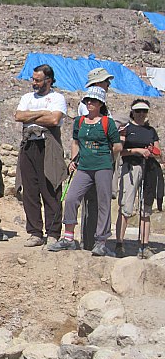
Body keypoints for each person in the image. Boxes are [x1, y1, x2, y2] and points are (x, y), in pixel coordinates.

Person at [48, 87, 122, 256]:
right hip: (84, 167)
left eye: (93, 101)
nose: (90, 103)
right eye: (87, 100)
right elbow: (75, 142)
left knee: (103, 202)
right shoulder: (80, 121)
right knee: (72, 197)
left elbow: (116, 145)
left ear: (101, 103)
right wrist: (74, 160)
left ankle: (101, 241)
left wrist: (109, 159)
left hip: (102, 166)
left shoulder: (107, 122)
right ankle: (68, 238)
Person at [15, 64, 68, 248]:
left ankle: (53, 233)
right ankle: (35, 232)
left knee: (50, 188)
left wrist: (32, 117)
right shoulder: (27, 97)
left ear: (49, 80)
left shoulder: (57, 98)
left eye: (38, 80)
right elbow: (19, 116)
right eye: (33, 79)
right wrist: (41, 113)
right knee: (30, 190)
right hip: (29, 144)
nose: (34, 83)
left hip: (48, 145)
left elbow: (54, 120)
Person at [115, 99, 161, 259]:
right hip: (131, 169)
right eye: (138, 111)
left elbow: (159, 152)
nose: (141, 114)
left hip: (149, 169)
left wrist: (152, 151)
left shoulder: (151, 131)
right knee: (126, 206)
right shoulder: (126, 129)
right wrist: (136, 151)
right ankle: (119, 243)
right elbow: (120, 150)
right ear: (132, 112)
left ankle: (145, 244)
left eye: (144, 111)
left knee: (146, 207)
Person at [77, 67, 115, 251]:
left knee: (99, 201)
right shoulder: (86, 107)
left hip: (100, 160)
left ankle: (96, 240)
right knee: (92, 202)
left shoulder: (102, 110)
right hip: (92, 160)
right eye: (106, 81)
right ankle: (90, 241)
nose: (108, 85)